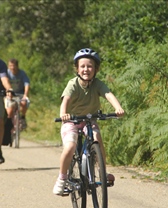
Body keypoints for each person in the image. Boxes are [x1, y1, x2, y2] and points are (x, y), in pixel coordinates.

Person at [53, 48, 125, 195]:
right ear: (77, 69)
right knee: (71, 145)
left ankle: (103, 172)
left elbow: (108, 95)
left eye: (90, 66)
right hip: (71, 121)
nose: (86, 69)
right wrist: (63, 114)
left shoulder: (98, 84)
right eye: (83, 66)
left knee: (97, 139)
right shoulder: (73, 84)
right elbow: (65, 100)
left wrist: (118, 108)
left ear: (96, 69)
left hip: (89, 120)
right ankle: (62, 179)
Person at [5, 58, 30, 129]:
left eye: (13, 66)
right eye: (10, 66)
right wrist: (7, 92)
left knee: (24, 103)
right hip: (9, 94)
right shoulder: (6, 73)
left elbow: (27, 84)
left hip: (20, 93)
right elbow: (4, 82)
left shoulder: (22, 73)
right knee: (9, 111)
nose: (12, 68)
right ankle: (8, 124)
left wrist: (25, 95)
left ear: (17, 66)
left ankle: (23, 117)